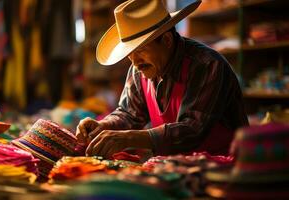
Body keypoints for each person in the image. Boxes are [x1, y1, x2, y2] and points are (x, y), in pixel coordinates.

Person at [76, 0, 249, 158]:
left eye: (141, 49)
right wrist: (103, 126)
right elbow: (129, 114)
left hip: (226, 168)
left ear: (166, 40)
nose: (135, 61)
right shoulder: (139, 69)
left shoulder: (207, 65)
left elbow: (192, 130)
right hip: (179, 168)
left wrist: (128, 138)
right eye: (130, 54)